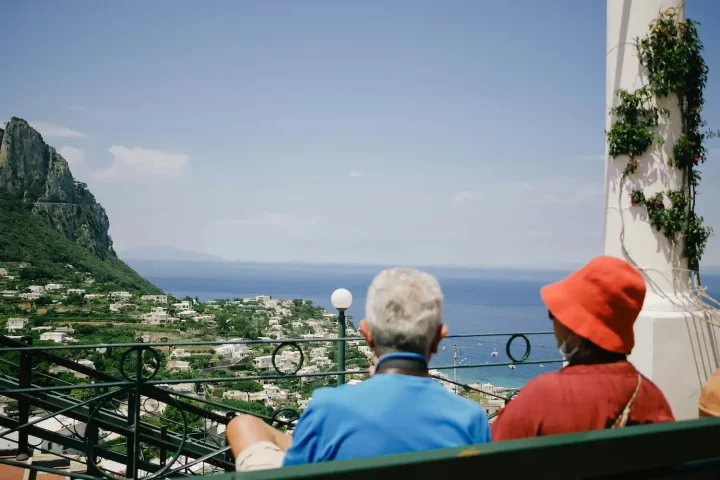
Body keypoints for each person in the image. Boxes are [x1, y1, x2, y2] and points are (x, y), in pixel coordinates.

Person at [226, 267, 491, 471]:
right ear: (439, 337)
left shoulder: (329, 408)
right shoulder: (469, 418)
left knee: (242, 424)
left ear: (367, 334)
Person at [491, 256, 674, 440]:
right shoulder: (653, 398)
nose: (554, 323)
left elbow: (488, 457)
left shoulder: (542, 398)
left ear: (577, 330)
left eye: (554, 314)